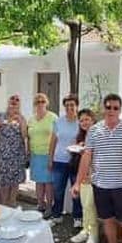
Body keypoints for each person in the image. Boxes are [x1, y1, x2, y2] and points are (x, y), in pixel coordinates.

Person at [73, 93, 122, 243]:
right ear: (103, 108)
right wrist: (78, 183)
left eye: (115, 108)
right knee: (107, 221)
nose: (111, 110)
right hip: (100, 185)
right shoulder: (94, 131)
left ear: (120, 109)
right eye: (108, 107)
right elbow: (87, 157)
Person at [48, 94, 81, 226]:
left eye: (72, 105)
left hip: (75, 162)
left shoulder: (81, 121)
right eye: (67, 105)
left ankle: (78, 217)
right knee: (58, 189)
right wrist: (50, 159)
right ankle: (57, 215)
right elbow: (53, 141)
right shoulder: (58, 121)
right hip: (59, 161)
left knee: (76, 189)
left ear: (77, 106)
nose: (69, 108)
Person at [69, 109, 99, 243]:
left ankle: (93, 234)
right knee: (84, 205)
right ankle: (85, 230)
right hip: (83, 176)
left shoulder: (99, 134)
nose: (84, 122)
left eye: (87, 119)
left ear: (93, 120)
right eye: (81, 120)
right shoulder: (81, 136)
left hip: (94, 176)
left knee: (90, 205)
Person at [0, 94, 28, 207]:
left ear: (19, 104)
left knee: (15, 181)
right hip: (4, 155)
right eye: (12, 99)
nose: (14, 101)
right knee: (4, 181)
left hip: (17, 154)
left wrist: (21, 121)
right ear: (8, 101)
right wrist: (5, 120)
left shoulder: (22, 117)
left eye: (17, 100)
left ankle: (12, 202)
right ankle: (3, 205)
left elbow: (24, 136)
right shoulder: (1, 115)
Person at [27, 93, 58, 216]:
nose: (40, 104)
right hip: (35, 155)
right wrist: (28, 152)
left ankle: (49, 207)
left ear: (46, 103)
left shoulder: (53, 117)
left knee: (48, 183)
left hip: (48, 154)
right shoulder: (31, 119)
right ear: (34, 104)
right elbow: (28, 137)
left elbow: (57, 137)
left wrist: (52, 156)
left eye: (42, 101)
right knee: (38, 182)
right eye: (37, 102)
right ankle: (40, 205)